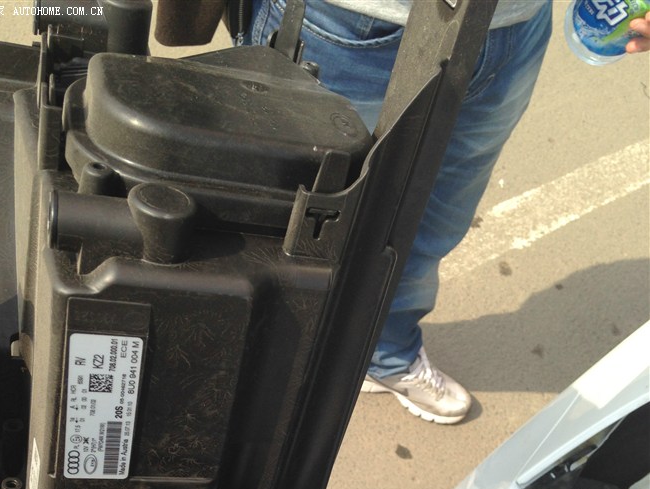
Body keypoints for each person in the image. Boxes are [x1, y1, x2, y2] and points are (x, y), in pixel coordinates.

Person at [247, 1, 650, 424]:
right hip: (355, 24)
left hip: (513, 24)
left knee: (431, 223)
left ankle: (383, 354)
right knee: (284, 222)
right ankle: (255, 371)